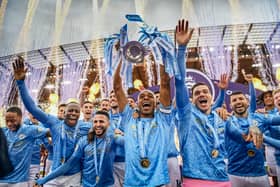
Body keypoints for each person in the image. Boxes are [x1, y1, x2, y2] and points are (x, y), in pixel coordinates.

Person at [173, 19, 263, 187]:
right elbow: (179, 81)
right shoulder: (187, 114)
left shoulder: (220, 116)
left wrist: (253, 126)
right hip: (196, 180)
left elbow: (241, 134)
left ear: (211, 97)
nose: (201, 94)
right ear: (191, 100)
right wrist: (182, 48)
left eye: (205, 92)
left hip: (223, 178)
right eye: (197, 93)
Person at [13, 57, 92, 187]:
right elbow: (32, 107)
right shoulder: (55, 123)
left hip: (74, 176)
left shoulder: (85, 126)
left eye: (76, 111)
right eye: (70, 110)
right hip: (54, 174)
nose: (73, 113)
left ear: (80, 114)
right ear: (64, 112)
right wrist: (20, 83)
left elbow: (104, 129)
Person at [113, 56, 172, 186]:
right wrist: (122, 58)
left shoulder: (163, 118)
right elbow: (117, 87)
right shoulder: (129, 118)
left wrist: (159, 55)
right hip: (132, 182)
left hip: (157, 181)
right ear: (137, 103)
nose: (146, 97)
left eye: (150, 96)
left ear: (156, 102)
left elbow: (165, 83)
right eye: (142, 97)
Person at [36, 110, 124, 187]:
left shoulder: (113, 139)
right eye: (95, 122)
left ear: (108, 124)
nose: (98, 124)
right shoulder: (84, 141)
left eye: (101, 122)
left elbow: (128, 143)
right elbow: (69, 164)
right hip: (86, 185)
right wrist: (46, 178)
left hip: (108, 185)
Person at [0, 106, 49, 187]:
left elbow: (51, 132)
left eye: (13, 121)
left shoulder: (30, 130)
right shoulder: (4, 132)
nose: (9, 123)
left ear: (20, 118)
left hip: (19, 181)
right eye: (7, 121)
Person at [108, 90, 125, 187]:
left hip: (126, 161)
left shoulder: (128, 116)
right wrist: (112, 133)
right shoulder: (105, 117)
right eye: (111, 97)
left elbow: (133, 137)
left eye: (115, 96)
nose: (112, 98)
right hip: (110, 163)